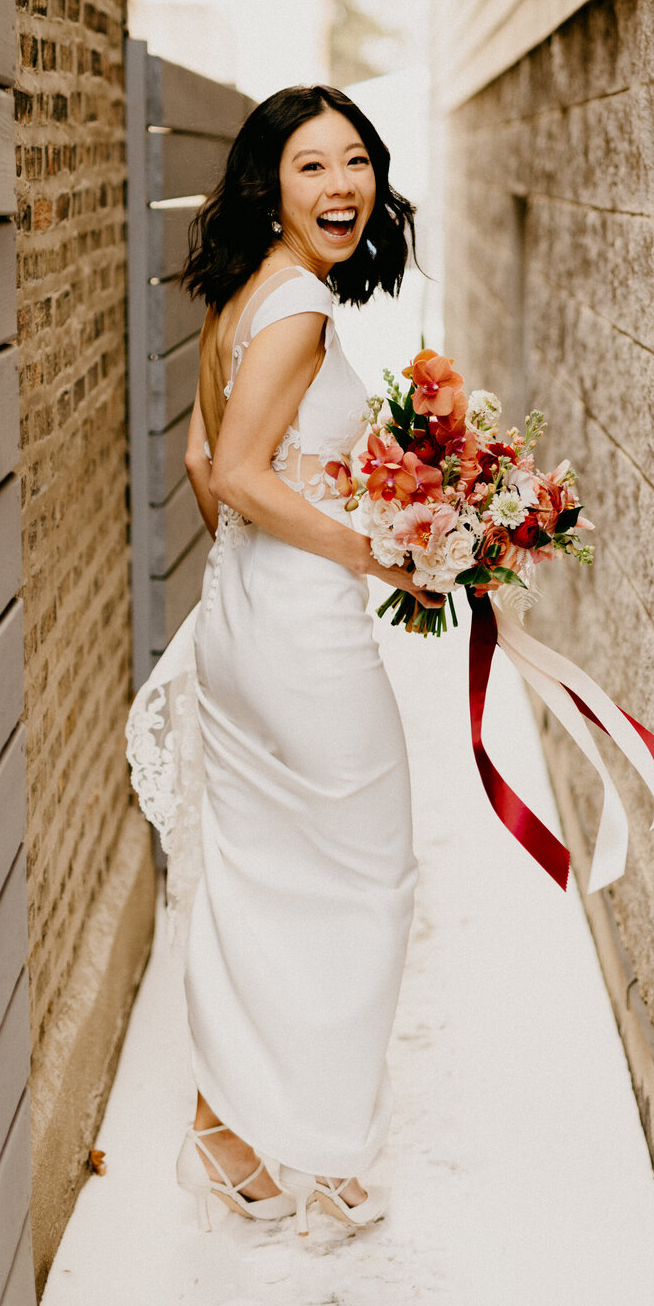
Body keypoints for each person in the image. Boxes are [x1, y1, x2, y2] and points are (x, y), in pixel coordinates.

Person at [173, 85, 441, 1238]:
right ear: (268, 186)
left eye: (356, 162)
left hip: (244, 613)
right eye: (311, 167)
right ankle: (319, 1146)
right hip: (298, 629)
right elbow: (236, 474)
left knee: (266, 869)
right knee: (367, 877)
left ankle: (226, 1125)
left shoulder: (246, 294)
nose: (341, 186)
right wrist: (383, 553)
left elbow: (198, 460)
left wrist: (254, 574)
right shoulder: (299, 315)